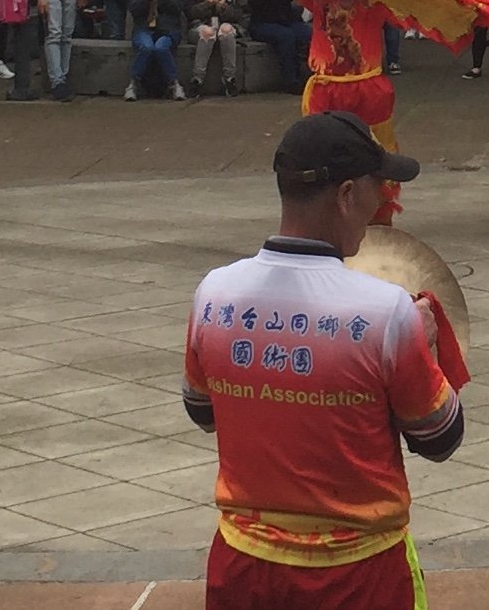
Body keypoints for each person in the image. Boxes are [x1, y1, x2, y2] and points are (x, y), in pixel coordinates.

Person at [182, 112, 461, 610]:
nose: (381, 202)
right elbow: (439, 438)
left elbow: (202, 411)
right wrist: (428, 346)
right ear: (348, 194)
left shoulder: (214, 295)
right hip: (358, 576)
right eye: (380, 188)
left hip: (244, 567)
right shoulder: (387, 312)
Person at [127, 0, 188, 101]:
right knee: (146, 47)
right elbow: (134, 9)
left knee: (161, 47)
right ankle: (133, 84)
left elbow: (177, 8)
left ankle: (174, 84)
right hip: (144, 29)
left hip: (168, 29)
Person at [191, 0, 250, 96]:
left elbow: (239, 15)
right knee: (207, 32)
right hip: (200, 25)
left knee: (227, 31)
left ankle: (230, 78)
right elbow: (189, 12)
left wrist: (224, 8)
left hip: (226, 24)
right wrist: (207, 5)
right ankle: (197, 79)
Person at [246, 0, 311, 93]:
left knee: (306, 33)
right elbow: (253, 4)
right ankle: (291, 80)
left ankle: (309, 74)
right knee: (286, 36)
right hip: (262, 22)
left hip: (285, 20)